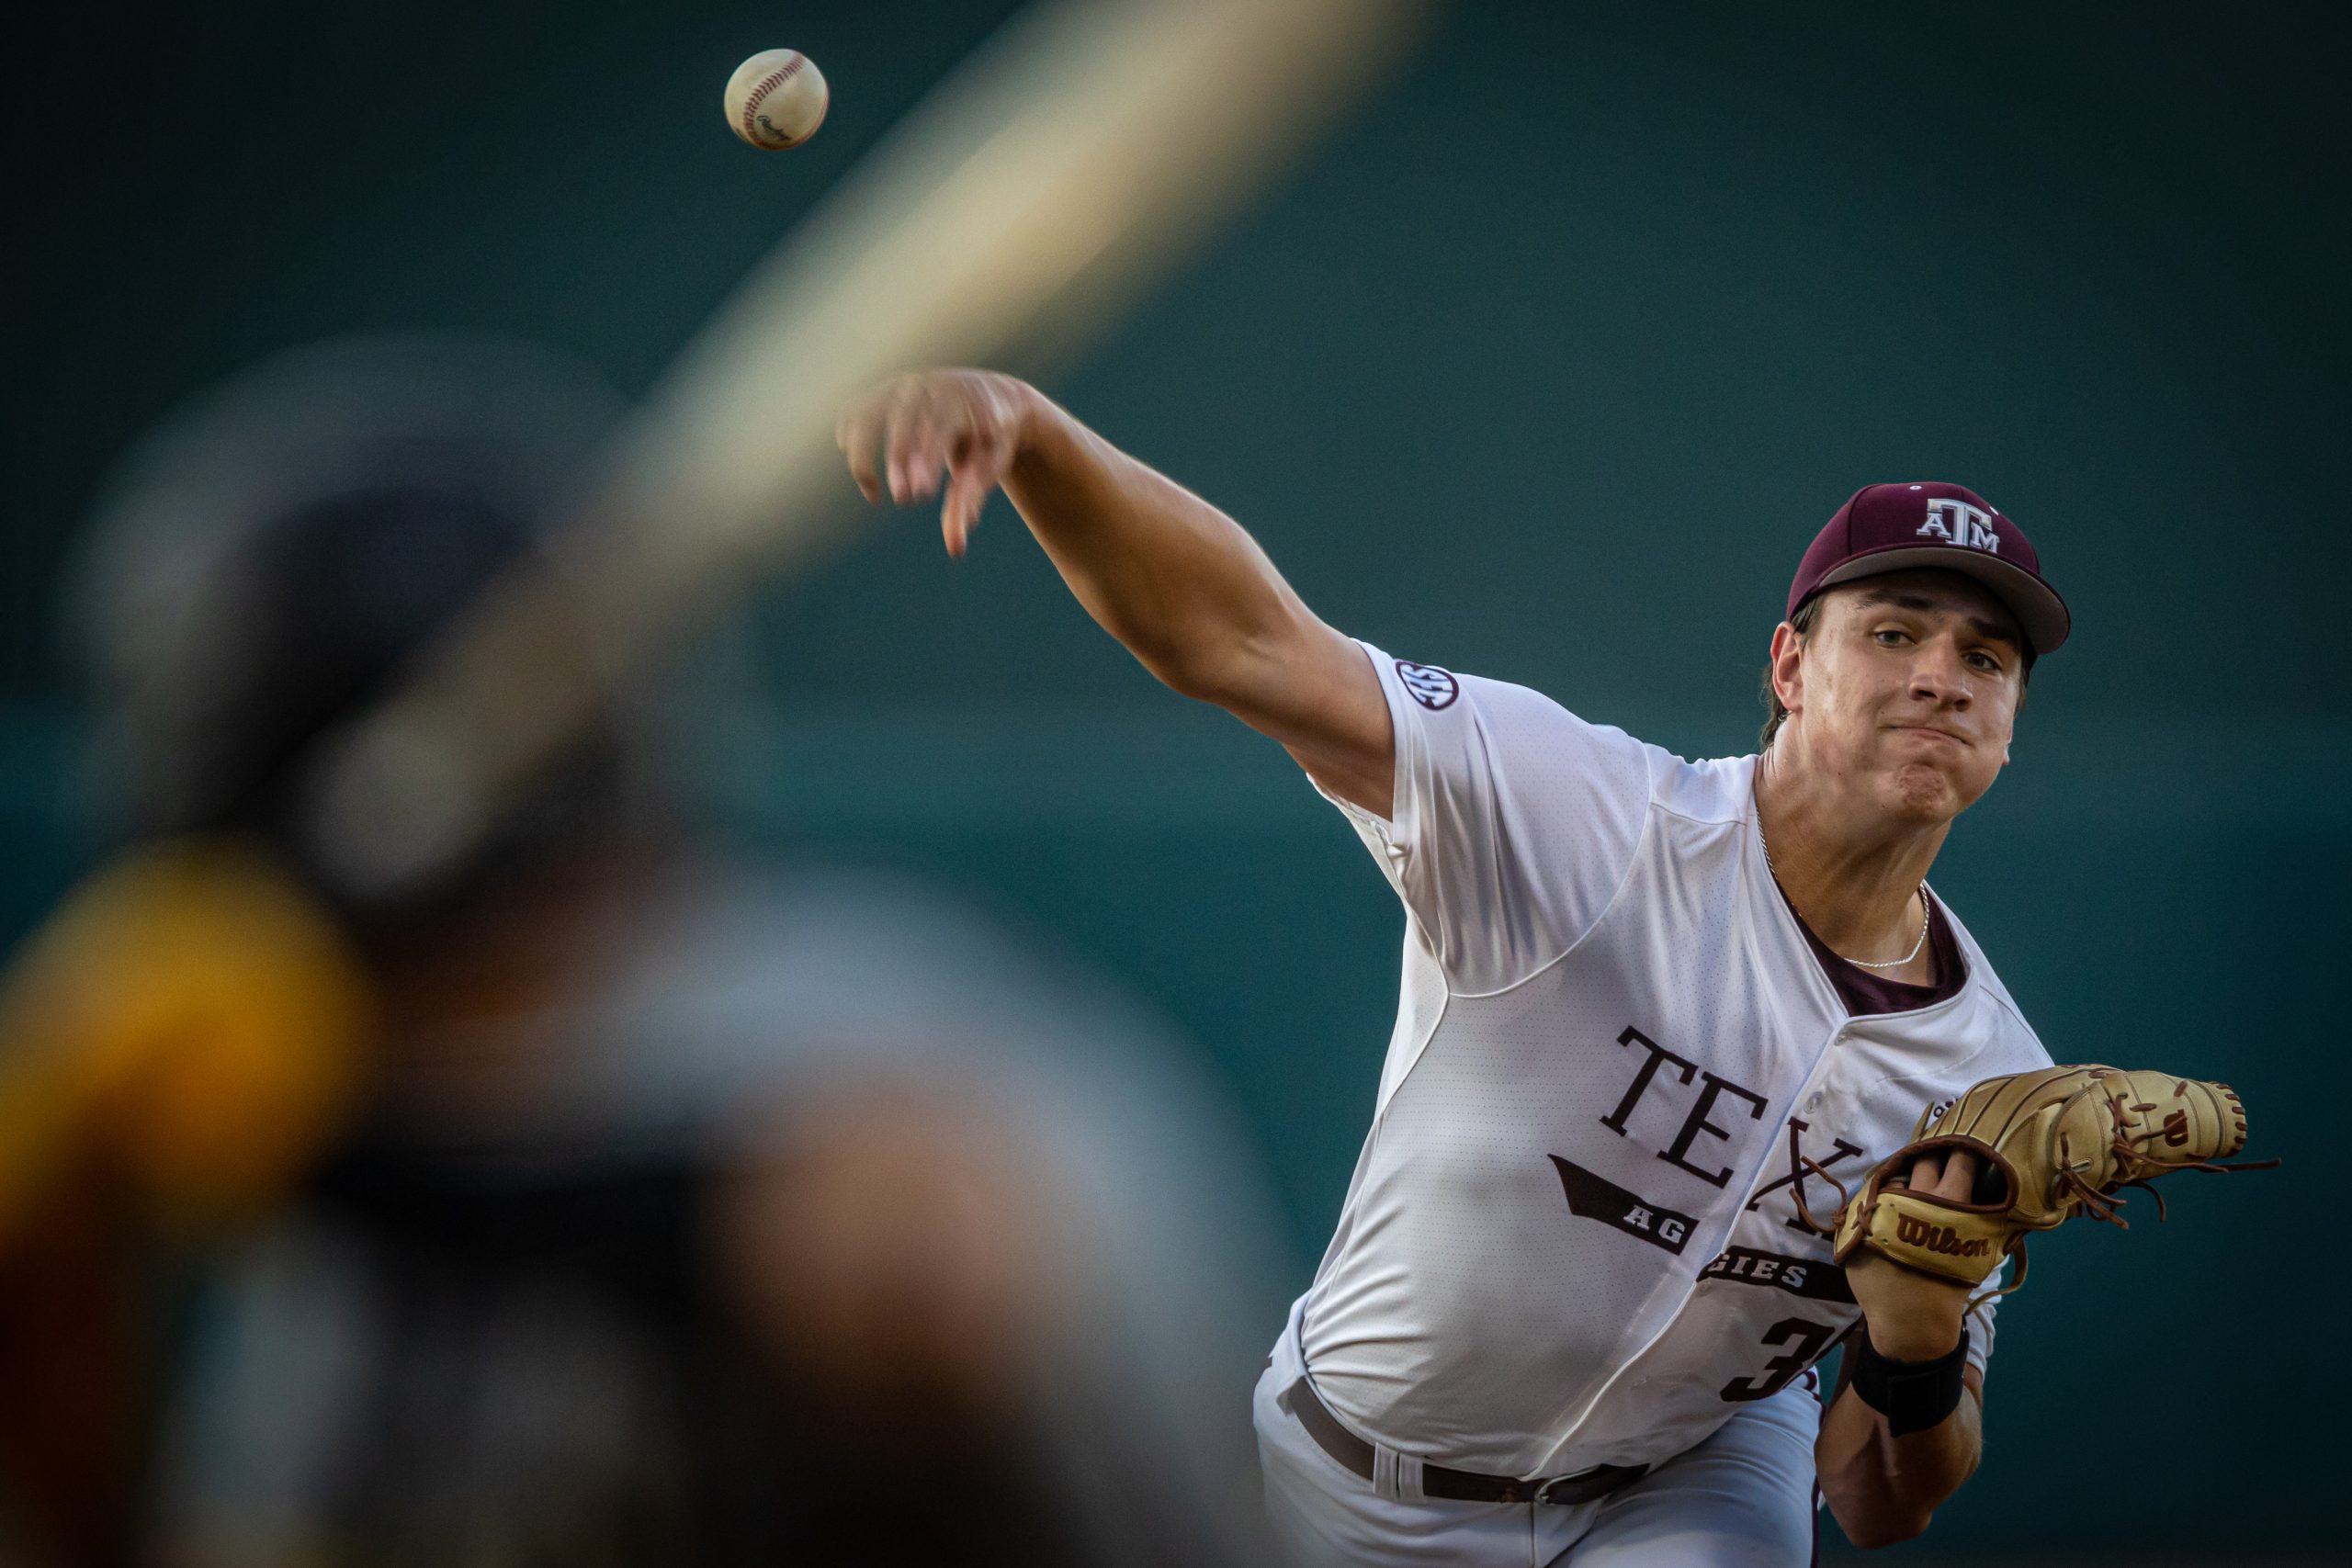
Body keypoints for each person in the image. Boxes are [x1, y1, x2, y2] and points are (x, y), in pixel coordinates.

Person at [0, 339, 1286, 1568]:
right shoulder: (343, 1212)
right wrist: (53, 1329)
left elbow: (919, 1281)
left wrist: (356, 1167)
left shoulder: (807, 1003)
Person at [838, 368, 2070, 1564]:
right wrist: (1042, 442)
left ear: (2011, 727)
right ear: (1792, 669)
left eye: (1985, 661)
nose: (1939, 681)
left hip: (1688, 1480)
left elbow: (1878, 1501)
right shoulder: (1586, 819)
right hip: (1359, 1480)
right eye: (1895, 632)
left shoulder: (1992, 1074)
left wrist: (1915, 1350)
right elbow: (1247, 645)